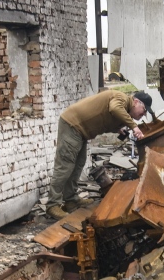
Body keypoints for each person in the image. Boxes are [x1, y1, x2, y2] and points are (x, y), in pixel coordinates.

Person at [46, 90, 155, 219]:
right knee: (65, 166)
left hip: (80, 131)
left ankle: (70, 200)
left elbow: (103, 118)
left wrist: (118, 129)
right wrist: (134, 127)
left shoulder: (124, 112)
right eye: (144, 110)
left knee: (78, 165)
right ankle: (52, 205)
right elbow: (114, 108)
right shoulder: (123, 98)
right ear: (136, 102)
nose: (143, 114)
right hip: (72, 124)